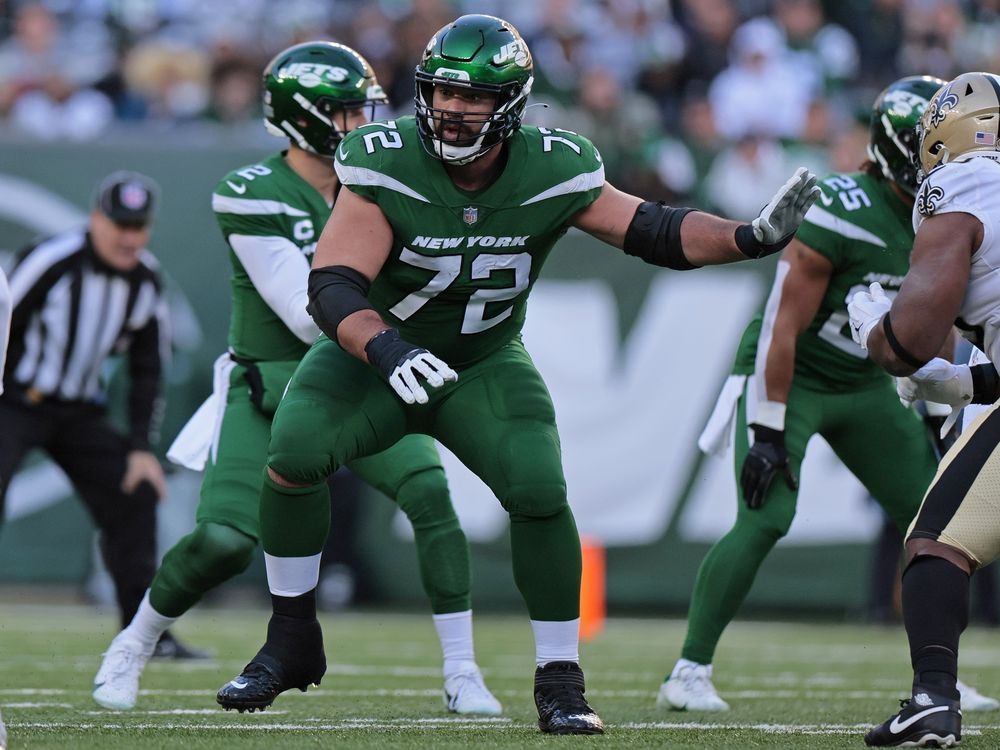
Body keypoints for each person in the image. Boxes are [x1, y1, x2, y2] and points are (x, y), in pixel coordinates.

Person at [214, 14, 821, 735]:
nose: (452, 109)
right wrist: (386, 350)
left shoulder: (553, 165)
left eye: (473, 98)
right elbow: (334, 284)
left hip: (482, 363)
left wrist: (748, 238)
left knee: (539, 488)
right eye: (441, 93)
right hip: (377, 358)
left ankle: (560, 678)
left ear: (511, 103)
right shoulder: (385, 157)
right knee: (294, 451)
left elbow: (652, 228)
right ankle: (290, 641)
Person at [92, 41, 500, 717]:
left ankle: (462, 669)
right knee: (223, 542)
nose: (362, 123)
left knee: (431, 495)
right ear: (304, 117)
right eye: (346, 111)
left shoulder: (387, 179)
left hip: (357, 377)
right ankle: (133, 643)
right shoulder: (251, 192)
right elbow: (309, 315)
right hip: (273, 384)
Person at [659, 74, 998, 716]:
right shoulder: (845, 206)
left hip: (871, 385)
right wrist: (766, 427)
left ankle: (938, 678)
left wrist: (935, 405)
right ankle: (689, 668)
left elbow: (947, 328)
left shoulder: (956, 207)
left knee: (938, 524)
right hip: (799, 377)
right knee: (766, 516)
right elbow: (779, 325)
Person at [848, 71, 1000, 748]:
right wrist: (955, 383)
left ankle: (932, 700)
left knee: (937, 542)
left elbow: (907, 342)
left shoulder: (962, 183)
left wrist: (873, 326)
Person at [0, 170, 201, 658]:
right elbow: (5, 322)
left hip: (79, 412)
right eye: (120, 224)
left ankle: (146, 635)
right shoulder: (50, 261)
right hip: (15, 400)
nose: (129, 237)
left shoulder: (145, 279)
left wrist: (138, 448)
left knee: (134, 497)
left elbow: (148, 368)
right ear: (96, 219)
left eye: (139, 226)